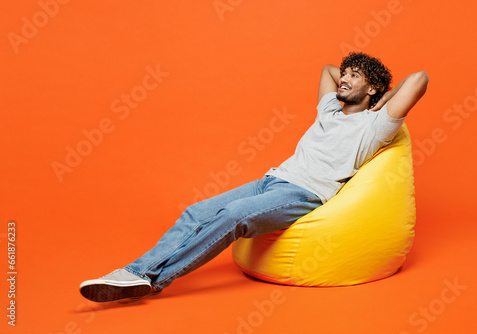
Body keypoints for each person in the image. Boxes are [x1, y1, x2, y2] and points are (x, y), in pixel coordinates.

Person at [80, 52, 429, 303]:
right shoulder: (328, 110)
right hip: (272, 180)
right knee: (195, 213)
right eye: (347, 73)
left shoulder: (374, 126)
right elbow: (326, 68)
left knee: (235, 216)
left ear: (371, 91)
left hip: (305, 192)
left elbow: (420, 79)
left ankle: (152, 280)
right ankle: (132, 272)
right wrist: (357, 80)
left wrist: (382, 99)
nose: (345, 78)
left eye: (354, 76)